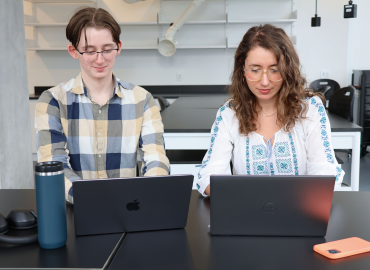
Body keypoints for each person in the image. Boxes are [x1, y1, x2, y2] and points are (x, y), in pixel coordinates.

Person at [35, 7, 170, 203]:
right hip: (76, 210)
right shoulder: (52, 101)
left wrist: (144, 195)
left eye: (107, 50)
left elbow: (156, 159)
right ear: (74, 51)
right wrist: (93, 200)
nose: (100, 59)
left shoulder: (143, 100)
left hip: (130, 208)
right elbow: (55, 165)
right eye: (89, 51)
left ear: (119, 47)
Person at [196, 24, 344, 197]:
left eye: (274, 70)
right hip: (246, 215)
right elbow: (209, 174)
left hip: (299, 214)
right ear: (242, 69)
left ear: (287, 69)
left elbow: (324, 170)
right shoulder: (229, 114)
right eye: (255, 70)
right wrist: (241, 198)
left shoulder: (310, 110)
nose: (264, 81)